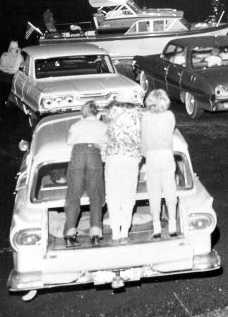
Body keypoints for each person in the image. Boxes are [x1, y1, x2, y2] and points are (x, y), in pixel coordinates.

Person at [64, 101, 107, 247]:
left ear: (83, 114)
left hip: (77, 155)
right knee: (95, 196)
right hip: (94, 154)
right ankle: (95, 234)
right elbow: (106, 144)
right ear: (98, 114)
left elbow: (69, 141)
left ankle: (69, 235)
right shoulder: (102, 125)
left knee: (73, 196)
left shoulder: (76, 125)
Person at [103, 100, 143, 242]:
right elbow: (140, 139)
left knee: (113, 195)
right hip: (131, 159)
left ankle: (115, 231)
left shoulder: (112, 114)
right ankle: (125, 230)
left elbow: (105, 138)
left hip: (113, 158)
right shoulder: (136, 115)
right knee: (128, 195)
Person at [141, 89, 178, 238]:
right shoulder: (170, 116)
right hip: (166, 154)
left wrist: (145, 156)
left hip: (151, 155)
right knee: (170, 189)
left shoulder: (145, 117)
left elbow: (143, 138)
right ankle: (173, 226)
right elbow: (170, 132)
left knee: (154, 191)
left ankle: (156, 227)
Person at [0, 41, 24, 120]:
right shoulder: (19, 57)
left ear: (9, 48)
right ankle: (6, 116)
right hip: (8, 78)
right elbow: (18, 68)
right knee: (6, 96)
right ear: (17, 49)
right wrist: (19, 53)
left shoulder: (4, 55)